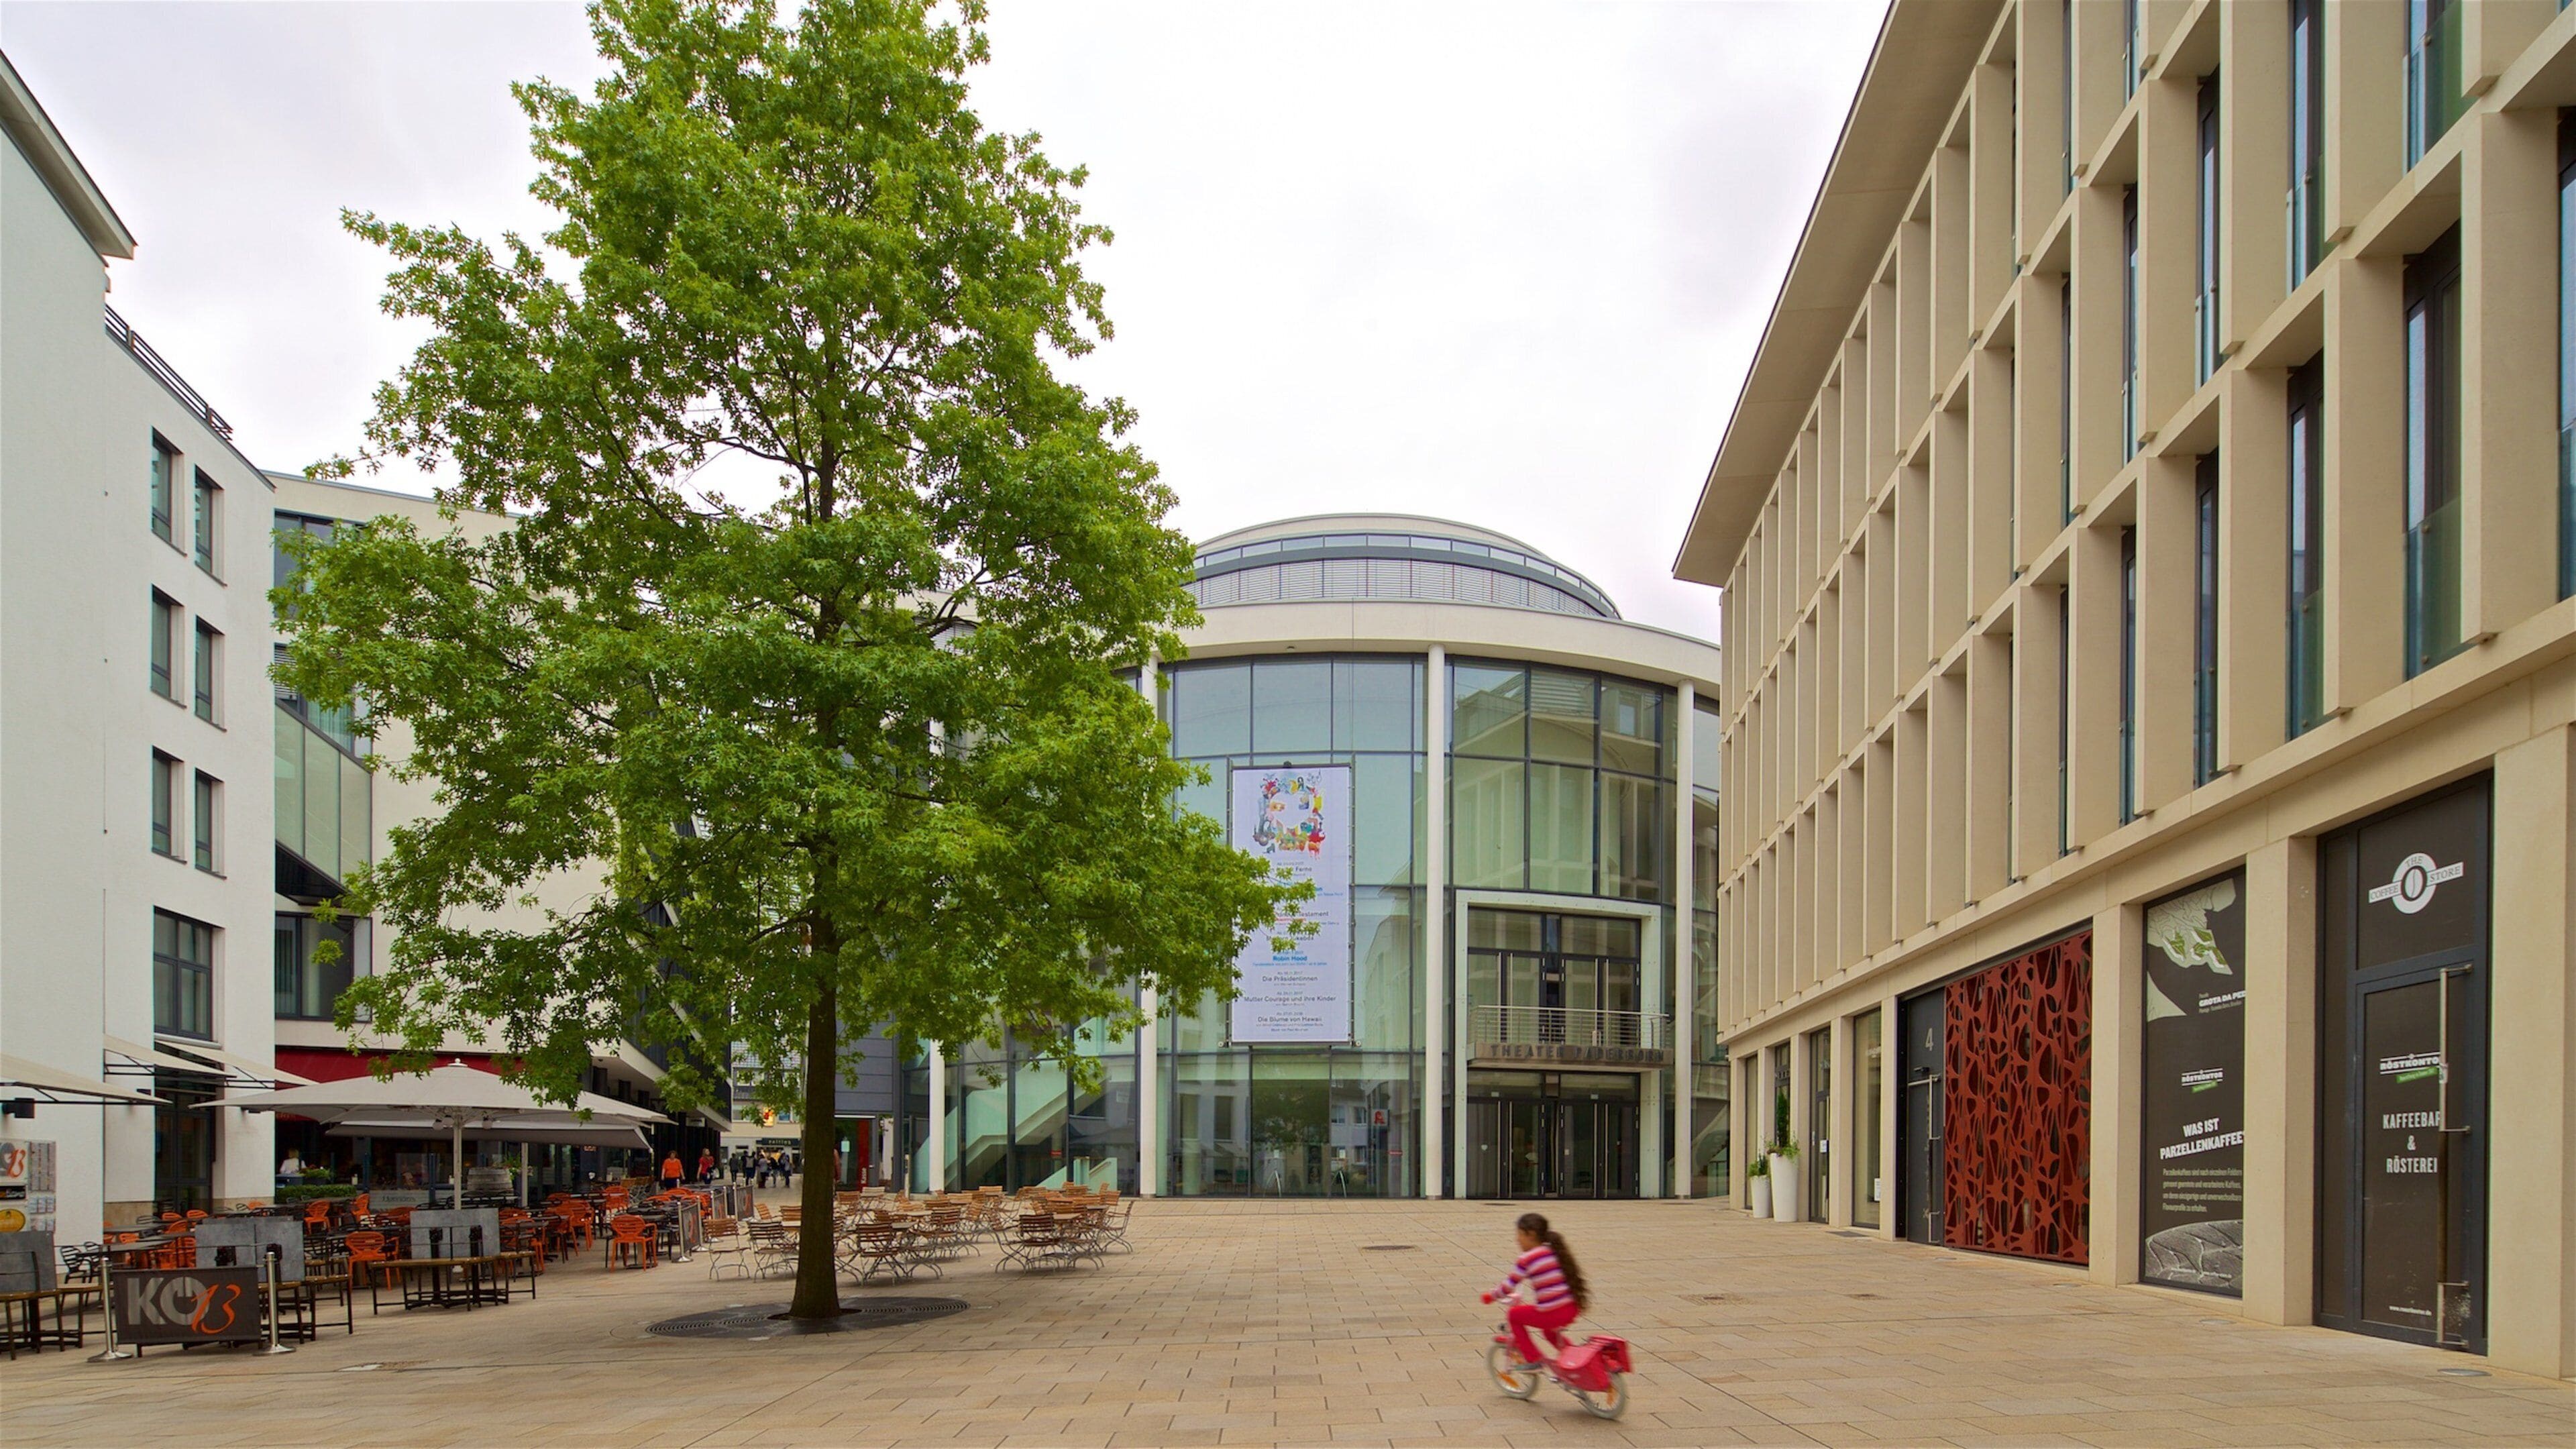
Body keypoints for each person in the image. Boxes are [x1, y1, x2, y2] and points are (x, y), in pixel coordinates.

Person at [1483, 1212, 1590, 1369]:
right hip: (1571, 1308)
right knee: (1549, 1332)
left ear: (1531, 1235)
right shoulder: (1555, 1251)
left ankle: (1533, 1359)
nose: (1517, 1239)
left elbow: (1508, 1286)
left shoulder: (1527, 1258)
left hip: (1552, 1312)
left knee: (1514, 1315)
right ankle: (1575, 1358)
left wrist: (1491, 1296)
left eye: (1520, 1235)